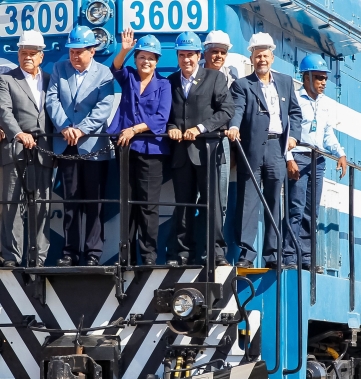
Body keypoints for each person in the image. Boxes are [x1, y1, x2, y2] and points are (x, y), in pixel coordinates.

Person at [227, 33, 301, 269]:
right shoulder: (242, 85)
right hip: (251, 149)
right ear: (252, 57)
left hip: (277, 148)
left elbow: (295, 113)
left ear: (272, 57)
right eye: (257, 56)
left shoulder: (286, 83)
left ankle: (272, 254)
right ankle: (247, 253)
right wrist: (234, 126)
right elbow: (237, 109)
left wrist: (294, 138)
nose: (262, 60)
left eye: (265, 56)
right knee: (248, 202)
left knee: (274, 203)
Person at [45, 26, 115, 267]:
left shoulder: (104, 74)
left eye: (80, 52)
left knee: (94, 202)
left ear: (92, 51)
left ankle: (94, 253)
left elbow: (104, 107)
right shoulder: (58, 68)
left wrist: (82, 129)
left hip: (94, 146)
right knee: (71, 202)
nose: (74, 56)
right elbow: (52, 99)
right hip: (67, 145)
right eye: (72, 51)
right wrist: (65, 127)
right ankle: (70, 252)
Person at [166, 31, 234, 267]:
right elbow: (166, 115)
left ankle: (215, 253)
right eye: (182, 55)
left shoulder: (214, 78)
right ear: (177, 57)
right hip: (181, 155)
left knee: (212, 205)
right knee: (183, 205)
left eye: (190, 55)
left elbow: (226, 111)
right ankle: (182, 253)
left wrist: (201, 128)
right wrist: (172, 127)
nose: (186, 60)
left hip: (207, 151)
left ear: (198, 56)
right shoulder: (171, 81)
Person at [109, 29, 171, 265]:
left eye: (151, 58)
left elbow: (161, 118)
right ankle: (125, 257)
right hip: (125, 150)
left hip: (152, 151)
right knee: (127, 204)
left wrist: (134, 129)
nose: (146, 61)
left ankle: (148, 256)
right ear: (135, 59)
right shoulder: (129, 78)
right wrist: (124, 49)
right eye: (142, 56)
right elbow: (115, 68)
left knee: (148, 205)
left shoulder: (164, 85)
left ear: (157, 62)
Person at [284, 54, 347, 271]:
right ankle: (290, 256)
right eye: (319, 77)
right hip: (299, 157)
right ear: (306, 77)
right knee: (295, 208)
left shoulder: (325, 105)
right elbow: (287, 132)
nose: (323, 82)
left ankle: (307, 258)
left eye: (325, 78)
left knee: (312, 211)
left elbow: (327, 133)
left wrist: (340, 154)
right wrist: (289, 158)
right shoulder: (295, 100)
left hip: (317, 160)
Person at [0, 31, 54, 267]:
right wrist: (18, 133)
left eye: (32, 53)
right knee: (12, 204)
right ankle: (12, 257)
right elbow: (4, 111)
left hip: (43, 151)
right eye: (24, 53)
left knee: (43, 205)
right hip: (15, 150)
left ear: (41, 56)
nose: (27, 57)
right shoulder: (6, 80)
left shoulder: (51, 79)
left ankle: (37, 259)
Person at [202, 30, 238, 226]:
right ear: (205, 52)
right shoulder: (194, 73)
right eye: (214, 51)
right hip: (197, 139)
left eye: (222, 52)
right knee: (195, 195)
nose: (218, 56)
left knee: (220, 194)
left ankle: (214, 249)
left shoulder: (232, 76)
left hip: (221, 140)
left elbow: (233, 109)